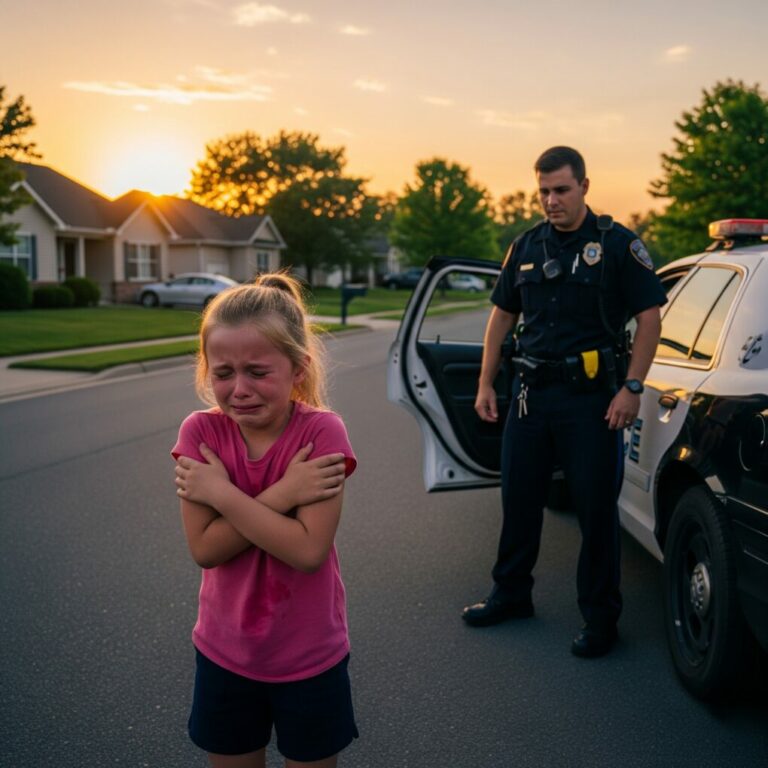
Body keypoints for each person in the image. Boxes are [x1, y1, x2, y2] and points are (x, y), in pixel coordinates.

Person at [463, 146, 667, 658]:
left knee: (596, 513)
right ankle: (511, 595)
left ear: (584, 186)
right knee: (519, 502)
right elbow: (502, 317)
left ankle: (601, 619)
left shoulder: (617, 245)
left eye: (561, 190)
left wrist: (633, 387)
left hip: (593, 402)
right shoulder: (526, 245)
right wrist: (487, 383)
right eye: (544, 192)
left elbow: (649, 318)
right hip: (532, 396)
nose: (551, 200)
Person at [172, 272, 359, 767]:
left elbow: (306, 551)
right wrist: (284, 494)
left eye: (257, 372)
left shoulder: (322, 432)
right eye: (223, 372)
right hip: (223, 652)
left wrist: (221, 493)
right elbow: (205, 550)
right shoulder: (199, 432)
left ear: (298, 367)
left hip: (309, 655)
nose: (238, 389)